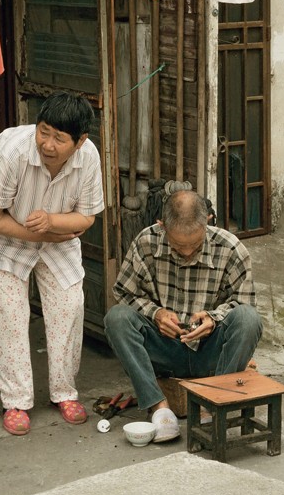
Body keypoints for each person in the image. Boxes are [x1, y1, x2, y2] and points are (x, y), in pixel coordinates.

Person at [0, 92, 104, 436]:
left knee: (69, 308)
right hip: (4, 236)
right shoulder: (11, 152)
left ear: (80, 141)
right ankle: (15, 401)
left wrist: (52, 224)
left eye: (59, 138)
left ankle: (64, 392)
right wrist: (38, 233)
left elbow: (86, 217)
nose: (48, 144)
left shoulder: (89, 157)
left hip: (55, 236)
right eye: (43, 132)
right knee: (11, 317)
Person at [103, 189, 262, 443]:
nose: (187, 253)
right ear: (161, 226)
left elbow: (245, 303)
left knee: (248, 319)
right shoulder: (146, 242)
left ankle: (215, 405)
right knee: (117, 319)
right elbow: (123, 292)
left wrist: (214, 318)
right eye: (178, 246)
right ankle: (159, 407)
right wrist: (156, 314)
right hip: (164, 349)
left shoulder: (231, 248)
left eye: (195, 245)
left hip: (211, 352)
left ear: (207, 221)